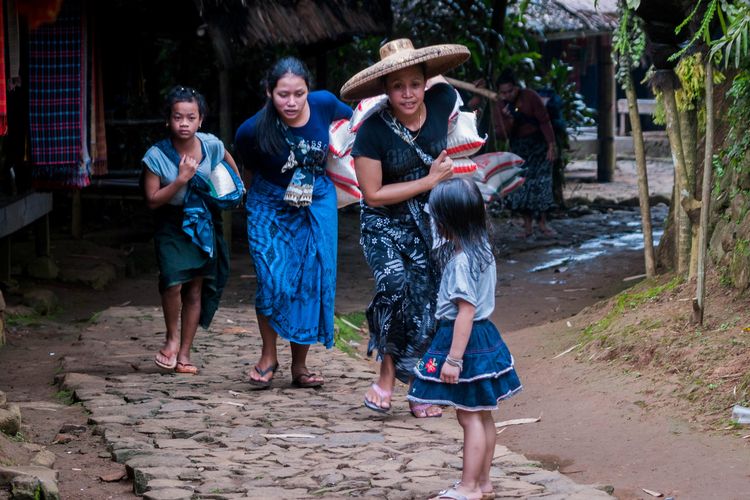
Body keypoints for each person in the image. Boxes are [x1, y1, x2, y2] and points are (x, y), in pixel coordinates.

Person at [340, 38, 470, 417]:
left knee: (429, 299)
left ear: (426, 82)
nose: (408, 93)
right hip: (383, 223)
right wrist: (429, 182)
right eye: (397, 86)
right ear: (385, 89)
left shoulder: (442, 99)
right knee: (394, 287)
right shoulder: (372, 132)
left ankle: (421, 386)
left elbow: (441, 77)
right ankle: (385, 376)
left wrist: (421, 63)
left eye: (415, 83)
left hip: (429, 221)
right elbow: (374, 194)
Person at [234, 57, 353, 389]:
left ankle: (299, 366)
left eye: (298, 94)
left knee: (310, 280)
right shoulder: (251, 130)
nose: (291, 102)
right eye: (283, 94)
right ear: (269, 92)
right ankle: (268, 355)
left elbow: (359, 124)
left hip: (316, 200)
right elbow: (247, 169)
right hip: (269, 203)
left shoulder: (326, 104)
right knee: (271, 278)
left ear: (308, 91)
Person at [408, 177, 522, 500]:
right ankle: (483, 483)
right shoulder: (482, 250)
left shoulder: (460, 262)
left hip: (466, 341)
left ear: (447, 222)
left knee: (468, 416)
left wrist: (453, 359)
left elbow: (465, 312)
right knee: (482, 413)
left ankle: (469, 486)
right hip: (485, 336)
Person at [142, 85, 241, 375]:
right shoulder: (156, 156)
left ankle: (184, 354)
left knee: (196, 288)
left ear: (200, 120)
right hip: (171, 224)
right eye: (177, 117)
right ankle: (171, 339)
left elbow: (226, 159)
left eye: (190, 117)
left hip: (203, 223)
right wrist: (181, 179)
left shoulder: (209, 144)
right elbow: (152, 201)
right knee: (173, 282)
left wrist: (237, 188)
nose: (184, 123)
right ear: (168, 120)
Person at [472, 70, 558, 238]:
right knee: (522, 185)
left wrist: (551, 145)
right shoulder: (499, 104)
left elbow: (544, 120)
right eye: (503, 92)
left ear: (517, 88)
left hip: (539, 145)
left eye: (510, 91)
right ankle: (527, 227)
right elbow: (502, 133)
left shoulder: (530, 97)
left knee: (542, 183)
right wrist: (509, 119)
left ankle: (542, 223)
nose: (507, 95)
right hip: (519, 146)